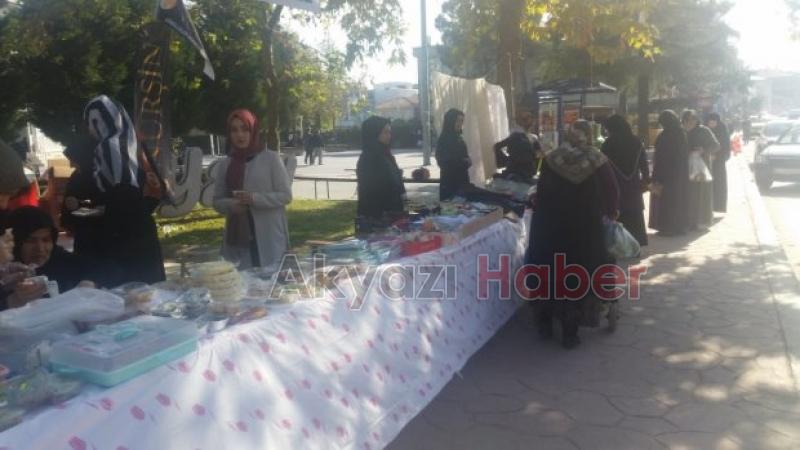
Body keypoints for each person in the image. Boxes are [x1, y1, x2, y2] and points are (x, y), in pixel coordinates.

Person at [528, 120, 619, 349]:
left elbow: (540, 190)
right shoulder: (597, 159)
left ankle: (545, 324)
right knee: (578, 273)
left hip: (550, 226)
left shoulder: (552, 158)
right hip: (584, 228)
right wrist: (611, 213)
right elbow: (612, 190)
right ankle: (570, 333)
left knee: (548, 272)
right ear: (587, 137)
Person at [84, 95, 166, 284]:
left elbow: (122, 196)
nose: (89, 129)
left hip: (122, 233)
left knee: (130, 294)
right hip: (143, 227)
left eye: (90, 121)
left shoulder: (107, 146)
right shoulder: (135, 143)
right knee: (151, 292)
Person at [213, 109, 292, 269]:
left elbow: (285, 196)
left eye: (245, 129)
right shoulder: (225, 164)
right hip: (238, 237)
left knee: (271, 285)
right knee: (243, 287)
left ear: (253, 130)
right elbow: (217, 201)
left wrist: (254, 198)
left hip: (268, 236)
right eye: (234, 130)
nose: (240, 135)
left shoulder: (271, 159)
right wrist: (231, 205)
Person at [8, 207, 117, 303]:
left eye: (46, 240)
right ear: (15, 242)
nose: (40, 248)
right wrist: (14, 301)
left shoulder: (58, 258)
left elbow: (109, 268)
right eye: (30, 241)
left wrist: (91, 281)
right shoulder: (6, 273)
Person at [601, 115, 651, 246]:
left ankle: (619, 244)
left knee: (618, 212)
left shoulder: (607, 144)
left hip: (614, 184)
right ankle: (637, 240)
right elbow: (644, 164)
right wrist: (646, 179)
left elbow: (602, 167)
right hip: (633, 185)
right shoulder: (636, 141)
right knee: (634, 212)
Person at [60, 133, 105, 260]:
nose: (71, 165)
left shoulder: (101, 178)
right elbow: (68, 200)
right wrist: (69, 221)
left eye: (74, 160)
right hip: (82, 232)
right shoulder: (76, 176)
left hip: (98, 233)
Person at [649, 110, 690, 236]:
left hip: (666, 175)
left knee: (666, 201)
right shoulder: (682, 134)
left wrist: (655, 176)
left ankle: (667, 227)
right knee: (679, 199)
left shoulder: (664, 136)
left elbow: (660, 158)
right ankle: (680, 227)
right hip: (681, 173)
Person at [356, 116, 406, 218]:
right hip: (377, 217)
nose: (389, 136)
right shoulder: (369, 158)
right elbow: (373, 190)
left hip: (392, 213)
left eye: (390, 132)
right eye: (385, 132)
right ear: (373, 133)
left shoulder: (385, 154)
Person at [682, 109, 719, 231]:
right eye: (687, 120)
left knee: (702, 195)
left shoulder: (704, 131)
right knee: (688, 196)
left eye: (693, 119)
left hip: (702, 168)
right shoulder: (681, 132)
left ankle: (702, 220)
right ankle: (688, 221)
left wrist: (703, 150)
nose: (690, 122)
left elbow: (716, 145)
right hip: (685, 169)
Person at [436, 109, 473, 201]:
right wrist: (464, 162)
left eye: (462, 121)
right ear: (450, 121)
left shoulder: (458, 138)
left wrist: (466, 161)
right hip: (450, 184)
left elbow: (464, 157)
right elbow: (444, 162)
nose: (460, 123)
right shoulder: (444, 140)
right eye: (457, 120)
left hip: (462, 182)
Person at [705, 112, 730, 213]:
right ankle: (707, 207)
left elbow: (725, 146)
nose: (711, 124)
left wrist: (718, 156)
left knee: (718, 185)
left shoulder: (722, 129)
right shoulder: (705, 130)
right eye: (710, 122)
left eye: (713, 122)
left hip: (718, 163)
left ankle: (718, 207)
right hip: (707, 161)